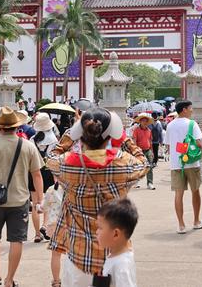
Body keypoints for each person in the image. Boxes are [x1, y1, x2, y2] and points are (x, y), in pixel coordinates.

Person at [46, 108, 148, 286]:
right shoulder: (124, 163)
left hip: (79, 255)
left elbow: (51, 157)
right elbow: (144, 162)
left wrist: (70, 135)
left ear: (81, 135)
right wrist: (124, 138)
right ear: (110, 136)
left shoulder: (66, 164)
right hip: (115, 254)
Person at [0, 107, 44, 287]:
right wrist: (40, 200)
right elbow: (37, 175)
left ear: (0, 128)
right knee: (16, 240)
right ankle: (9, 279)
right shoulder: (27, 146)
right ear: (16, 126)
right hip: (19, 201)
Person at [166, 100, 202, 234]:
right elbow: (199, 143)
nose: (191, 110)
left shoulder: (170, 125)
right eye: (190, 108)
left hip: (176, 163)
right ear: (184, 109)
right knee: (195, 191)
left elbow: (168, 146)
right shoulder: (192, 124)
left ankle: (181, 225)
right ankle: (196, 221)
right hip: (192, 163)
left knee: (179, 194)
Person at [28, 112, 58, 243]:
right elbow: (54, 161)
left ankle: (36, 234)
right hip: (48, 173)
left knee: (35, 203)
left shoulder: (31, 140)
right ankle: (45, 226)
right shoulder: (54, 141)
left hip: (33, 173)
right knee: (47, 202)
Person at [96, 198, 139, 287]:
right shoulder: (116, 255)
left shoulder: (121, 265)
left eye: (100, 228)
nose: (96, 232)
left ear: (116, 234)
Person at [131, 113, 155, 190]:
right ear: (140, 122)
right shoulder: (136, 130)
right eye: (143, 121)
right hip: (139, 151)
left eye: (146, 121)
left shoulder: (149, 130)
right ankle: (136, 182)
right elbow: (134, 141)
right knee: (138, 167)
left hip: (148, 150)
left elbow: (150, 141)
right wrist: (136, 151)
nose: (145, 122)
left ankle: (150, 183)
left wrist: (152, 151)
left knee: (150, 167)